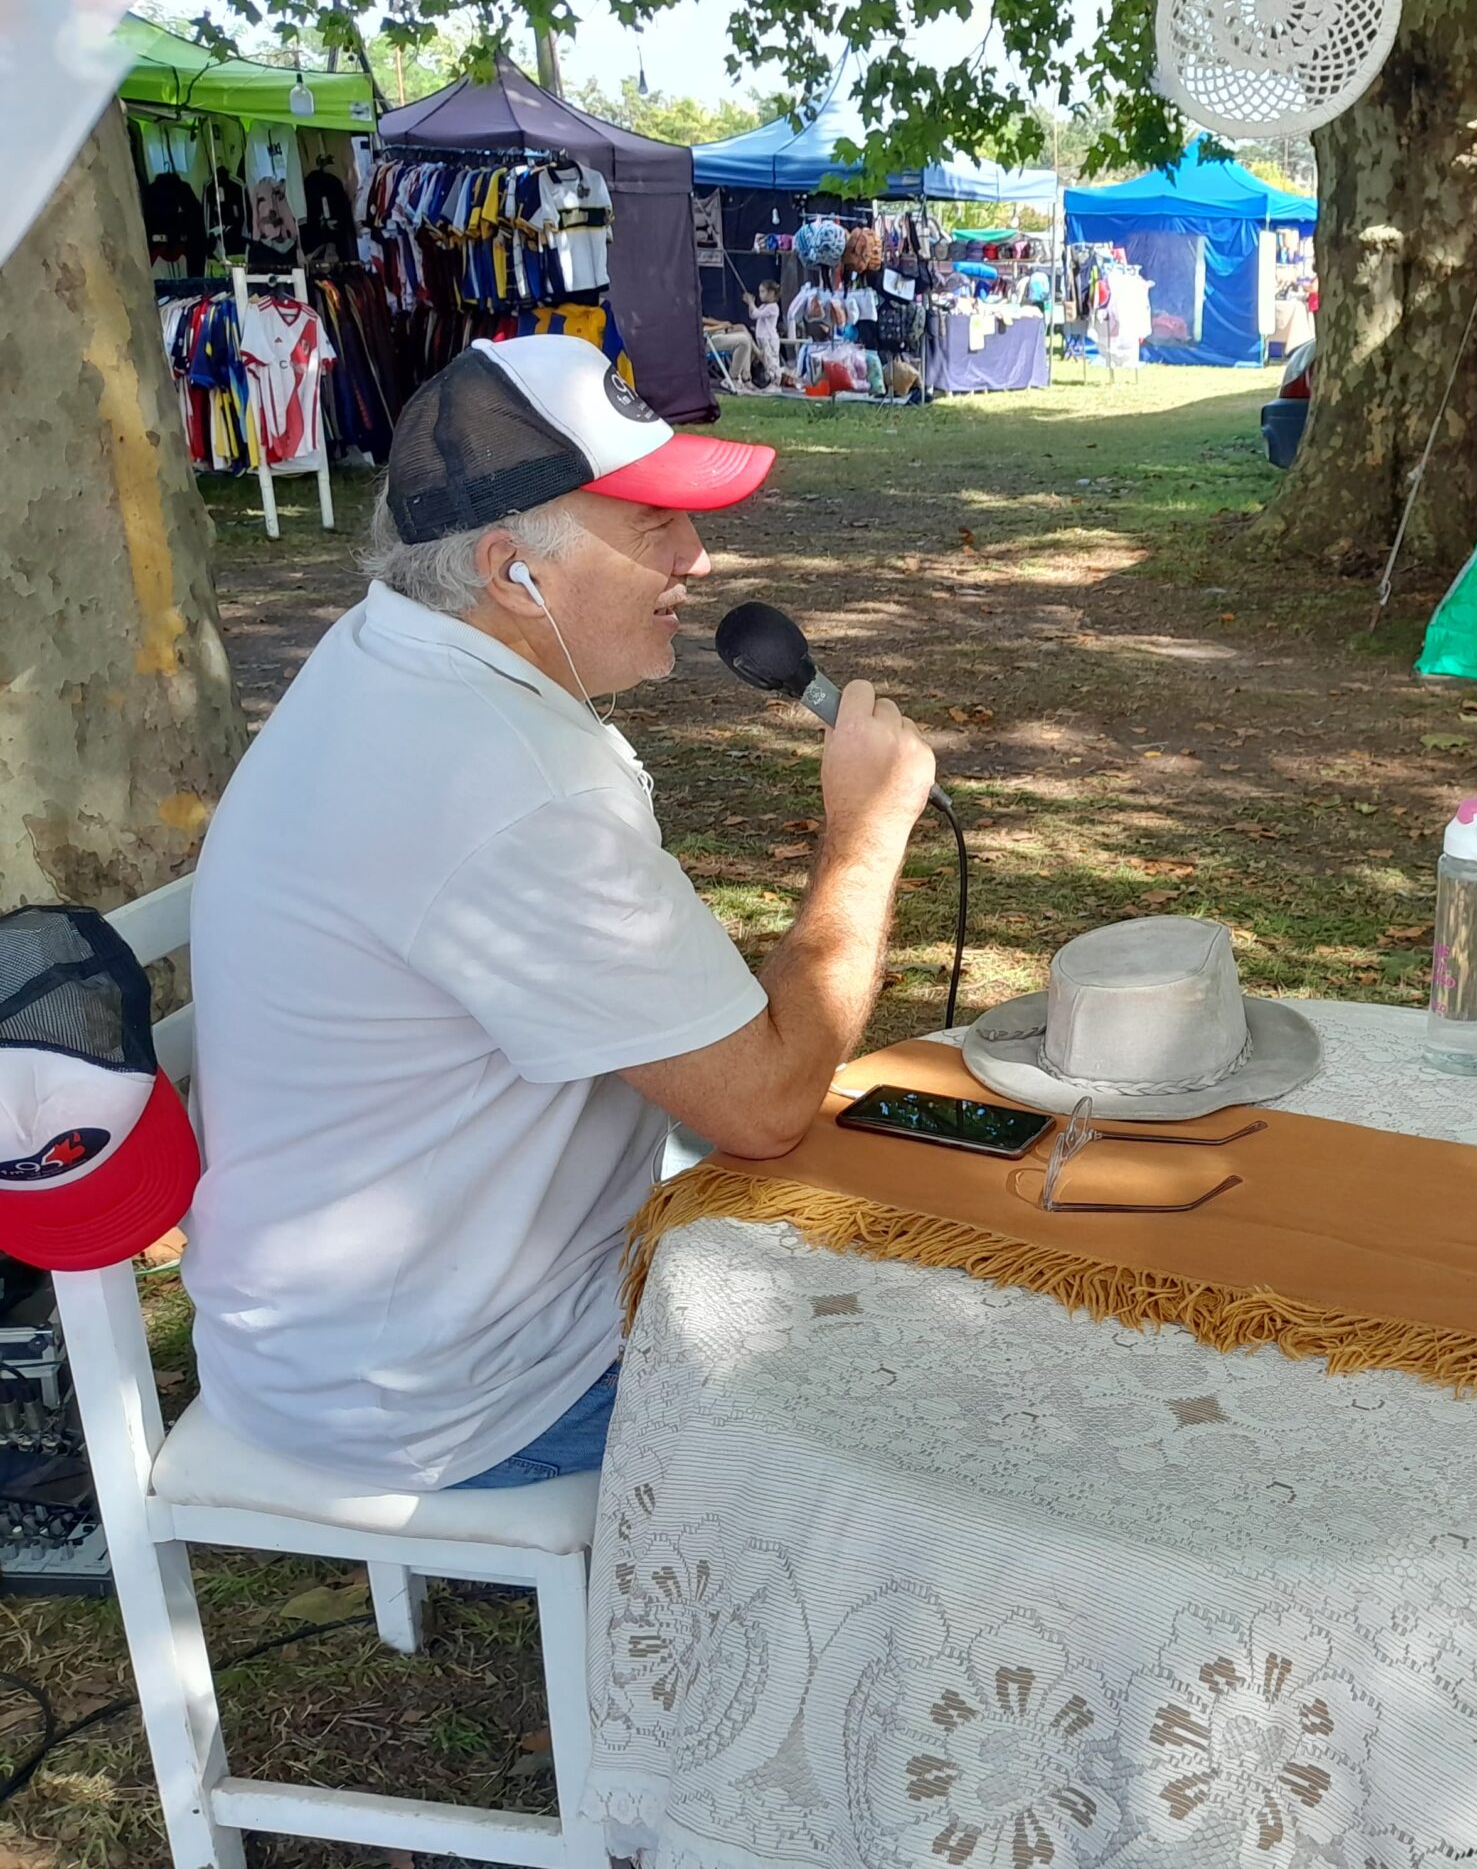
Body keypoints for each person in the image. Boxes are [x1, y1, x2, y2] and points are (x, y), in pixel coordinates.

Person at [183, 335, 938, 1491]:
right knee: (936, 1375)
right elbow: (765, 1104)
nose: (695, 558)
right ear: (508, 570)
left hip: (333, 1344)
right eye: (652, 524)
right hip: (458, 1390)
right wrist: (868, 833)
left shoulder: (393, 650)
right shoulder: (507, 788)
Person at [752, 280, 784, 389]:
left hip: (769, 338)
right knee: (765, 360)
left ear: (771, 293)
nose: (760, 294)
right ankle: (769, 381)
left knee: (771, 360)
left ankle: (775, 381)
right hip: (761, 337)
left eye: (763, 291)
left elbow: (757, 314)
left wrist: (751, 303)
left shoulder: (773, 307)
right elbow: (753, 315)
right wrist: (750, 305)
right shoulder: (763, 306)